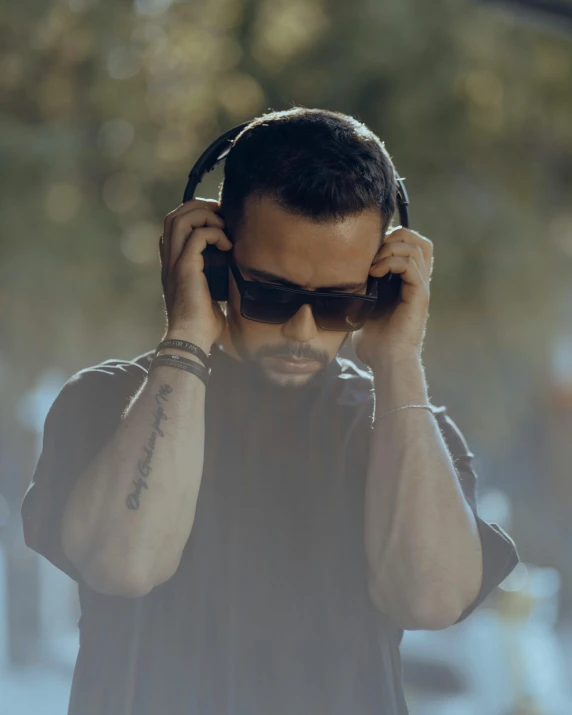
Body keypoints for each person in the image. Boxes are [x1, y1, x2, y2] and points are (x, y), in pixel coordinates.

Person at [21, 107, 519, 715]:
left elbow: (431, 601)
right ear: (213, 262)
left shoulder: (408, 427)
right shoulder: (104, 403)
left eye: (338, 301)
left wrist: (399, 363)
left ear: (379, 285)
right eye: (271, 293)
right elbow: (125, 564)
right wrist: (185, 336)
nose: (303, 328)